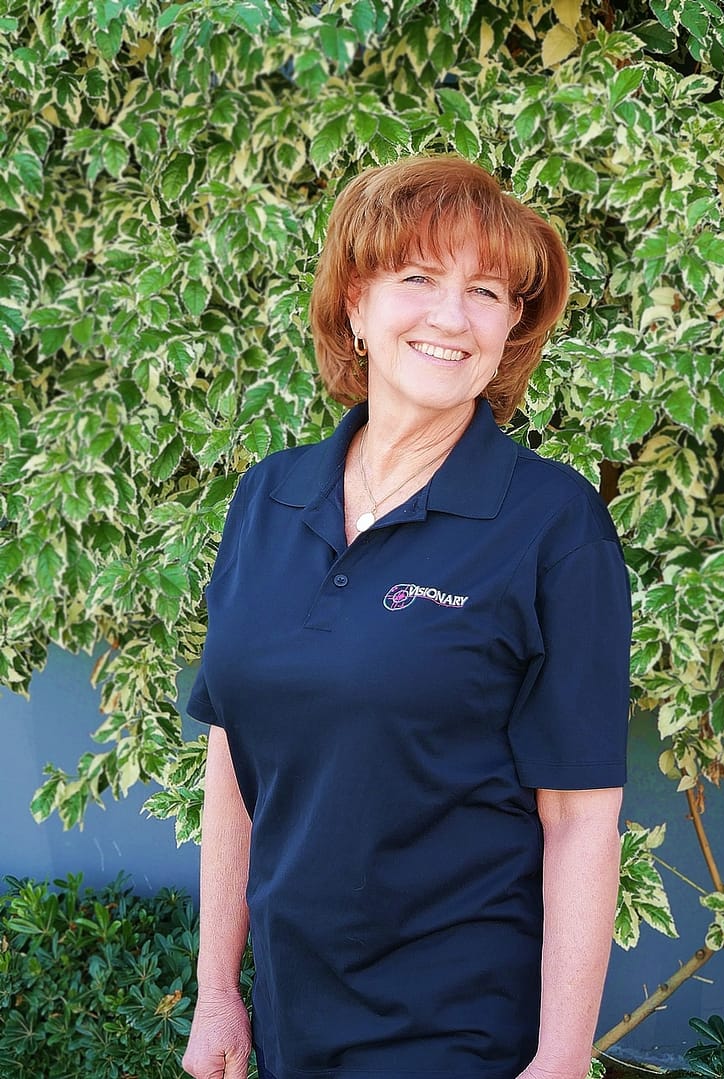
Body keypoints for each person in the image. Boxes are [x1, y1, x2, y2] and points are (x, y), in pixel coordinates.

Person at [182, 156, 631, 1079]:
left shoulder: (551, 523)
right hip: (291, 1013)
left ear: (512, 326)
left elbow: (582, 816)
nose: (450, 316)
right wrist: (218, 990)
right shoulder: (269, 498)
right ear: (355, 302)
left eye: (486, 290)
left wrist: (562, 1059)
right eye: (418, 278)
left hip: (457, 1025)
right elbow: (235, 752)